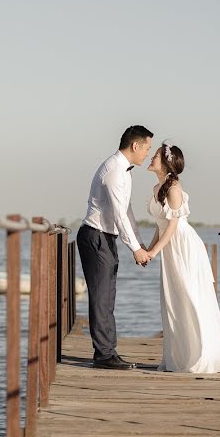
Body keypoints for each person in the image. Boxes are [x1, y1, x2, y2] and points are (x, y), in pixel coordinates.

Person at [145, 142, 220, 373]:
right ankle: (180, 355)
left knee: (189, 295)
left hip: (182, 245)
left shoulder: (173, 188)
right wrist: (148, 249)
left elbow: (172, 226)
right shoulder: (157, 188)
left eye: (154, 156)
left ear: (165, 163)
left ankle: (201, 355)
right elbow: (160, 225)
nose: (150, 159)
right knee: (173, 299)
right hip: (168, 247)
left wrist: (155, 251)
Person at [76, 125, 153, 370]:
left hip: (106, 237)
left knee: (107, 297)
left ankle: (108, 351)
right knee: (101, 297)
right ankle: (104, 355)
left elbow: (126, 211)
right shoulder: (114, 171)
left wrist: (138, 241)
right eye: (147, 148)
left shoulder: (124, 172)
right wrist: (135, 249)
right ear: (135, 146)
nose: (148, 154)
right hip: (96, 236)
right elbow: (119, 214)